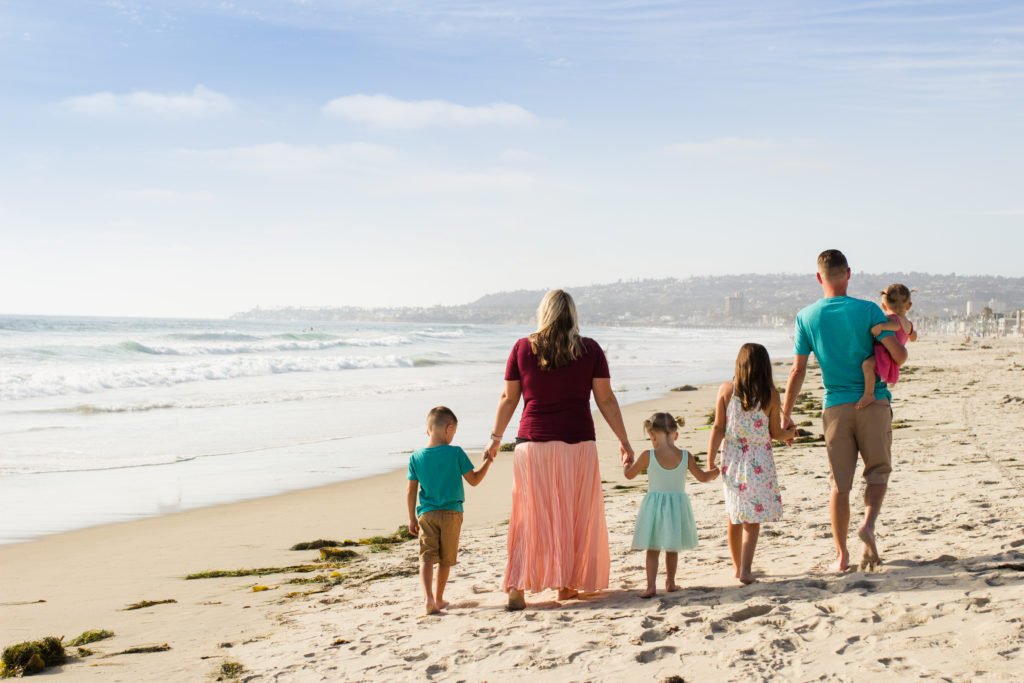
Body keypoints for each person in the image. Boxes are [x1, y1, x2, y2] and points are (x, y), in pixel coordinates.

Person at [484, 289, 634, 610]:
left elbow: (508, 399)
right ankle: (565, 586)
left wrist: (495, 440)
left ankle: (517, 586)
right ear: (572, 314)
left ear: (543, 313)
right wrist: (624, 440)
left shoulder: (522, 348)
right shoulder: (590, 349)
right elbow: (605, 399)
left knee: (528, 516)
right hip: (577, 444)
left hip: (532, 446)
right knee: (572, 513)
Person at [783, 250, 907, 572]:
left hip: (835, 406)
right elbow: (898, 355)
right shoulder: (868, 310)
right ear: (848, 273)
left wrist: (785, 413)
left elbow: (798, 371)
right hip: (874, 402)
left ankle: (841, 556)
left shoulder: (806, 317)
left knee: (840, 484)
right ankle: (867, 525)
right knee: (877, 472)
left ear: (818, 277)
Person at [707, 343, 795, 584]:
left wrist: (710, 458)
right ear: (765, 367)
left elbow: (717, 428)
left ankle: (737, 568)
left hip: (733, 461)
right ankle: (746, 569)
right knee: (752, 519)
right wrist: (791, 434)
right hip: (760, 463)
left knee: (734, 515)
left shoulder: (727, 390)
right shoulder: (770, 395)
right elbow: (775, 433)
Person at [406, 406, 493, 615]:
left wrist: (411, 518)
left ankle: (427, 598)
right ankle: (438, 598)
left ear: (428, 431)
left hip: (426, 514)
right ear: (449, 428)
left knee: (426, 557)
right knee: (445, 559)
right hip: (452, 513)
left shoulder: (416, 457)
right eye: (453, 432)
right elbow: (474, 480)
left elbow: (411, 491)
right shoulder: (455, 452)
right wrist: (488, 461)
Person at [624, 412, 718, 598]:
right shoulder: (685, 456)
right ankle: (671, 582)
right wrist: (715, 472)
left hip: (653, 508)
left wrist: (626, 462)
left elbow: (629, 475)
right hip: (676, 507)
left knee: (652, 548)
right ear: (676, 434)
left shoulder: (647, 455)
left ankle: (651, 586)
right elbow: (703, 477)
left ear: (652, 435)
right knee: (672, 547)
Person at [856, 284, 917, 410]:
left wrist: (881, 326)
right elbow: (913, 336)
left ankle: (869, 394)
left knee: (867, 365)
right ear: (909, 306)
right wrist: (911, 336)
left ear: (883, 306)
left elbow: (896, 326)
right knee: (870, 368)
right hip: (893, 356)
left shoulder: (890, 319)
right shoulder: (908, 324)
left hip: (884, 354)